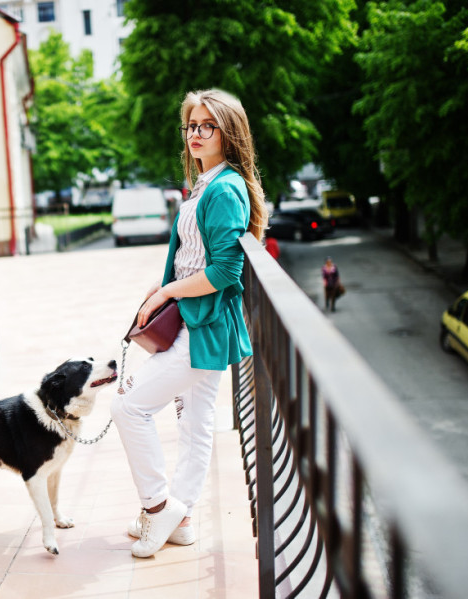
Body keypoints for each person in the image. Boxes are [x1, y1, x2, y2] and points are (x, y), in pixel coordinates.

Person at [110, 89, 266, 558]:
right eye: (191, 126)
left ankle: (159, 511)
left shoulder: (225, 189)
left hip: (205, 328)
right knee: (197, 425)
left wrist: (166, 292)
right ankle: (183, 520)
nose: (196, 134)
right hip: (196, 322)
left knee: (128, 409)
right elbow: (189, 259)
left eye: (207, 126)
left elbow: (224, 272)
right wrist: (162, 288)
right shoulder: (204, 184)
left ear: (228, 132)